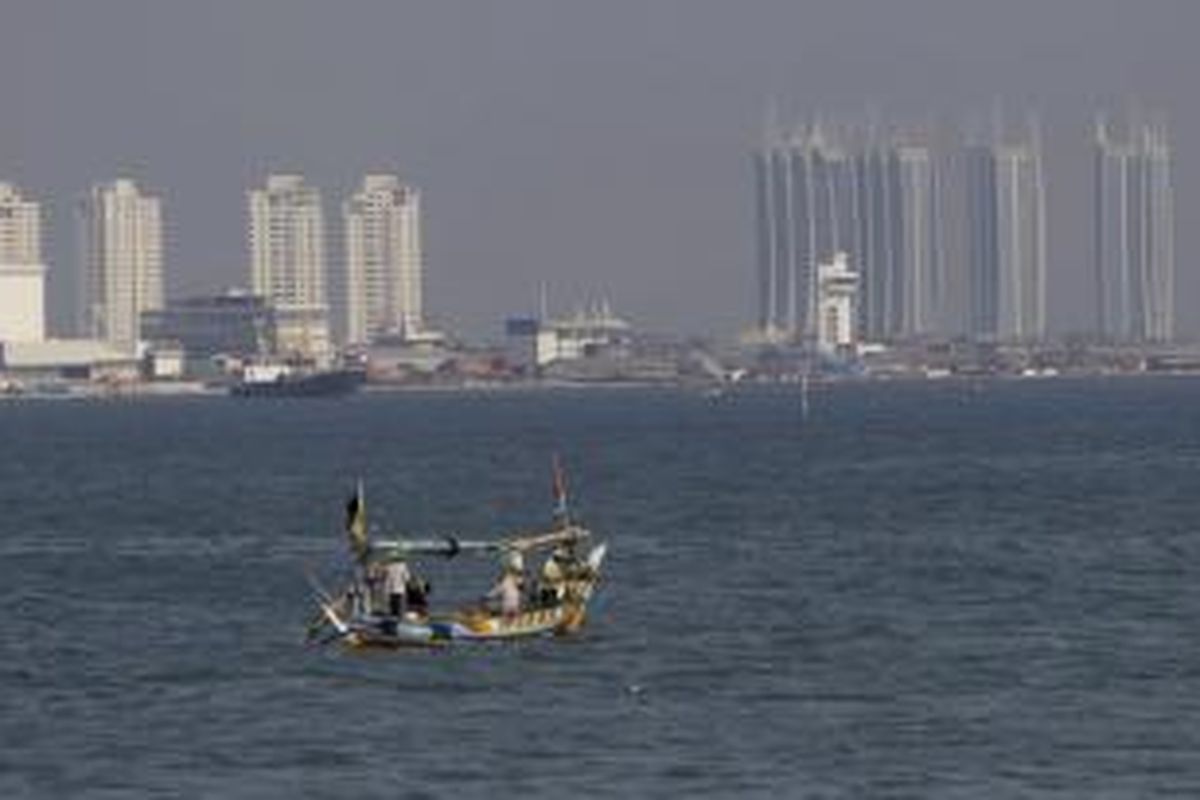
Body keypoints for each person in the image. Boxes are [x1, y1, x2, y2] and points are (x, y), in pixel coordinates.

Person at [487, 550, 524, 617]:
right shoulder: (515, 580)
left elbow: (497, 591)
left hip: (508, 607)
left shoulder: (507, 581)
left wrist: (488, 596)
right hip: (514, 605)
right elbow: (520, 584)